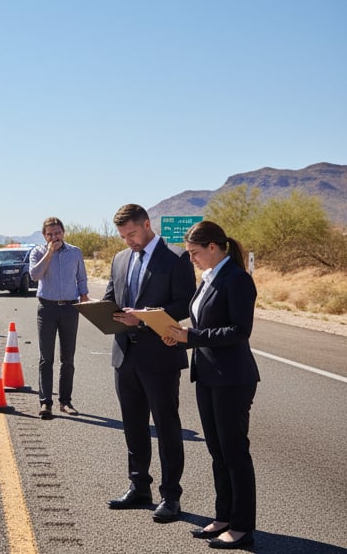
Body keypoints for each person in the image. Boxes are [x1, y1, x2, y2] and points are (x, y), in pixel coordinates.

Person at [163, 221, 259, 550]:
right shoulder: (208, 279)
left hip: (233, 378)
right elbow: (203, 325)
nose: (191, 259)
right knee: (218, 452)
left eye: (194, 253)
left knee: (234, 453)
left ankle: (243, 526)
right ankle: (224, 517)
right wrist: (178, 337)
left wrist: (192, 336)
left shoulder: (238, 279)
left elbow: (239, 331)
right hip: (206, 375)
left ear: (214, 248)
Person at [103, 203, 195, 523]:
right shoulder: (119, 258)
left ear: (146, 224)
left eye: (132, 234)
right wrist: (102, 311)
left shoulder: (176, 259)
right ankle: (139, 486)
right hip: (124, 355)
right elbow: (110, 296)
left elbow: (186, 302)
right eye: (123, 236)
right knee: (133, 425)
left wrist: (140, 319)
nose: (128, 241)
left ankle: (171, 496)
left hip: (160, 355)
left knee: (167, 427)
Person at [29, 217, 90, 419]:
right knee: (46, 358)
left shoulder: (75, 252)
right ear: (44, 235)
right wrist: (49, 253)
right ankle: (46, 402)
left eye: (57, 233)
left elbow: (81, 276)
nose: (54, 237)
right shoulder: (38, 252)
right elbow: (35, 275)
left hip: (70, 309)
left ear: (63, 232)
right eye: (50, 234)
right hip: (47, 308)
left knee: (68, 358)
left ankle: (66, 401)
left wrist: (84, 295)